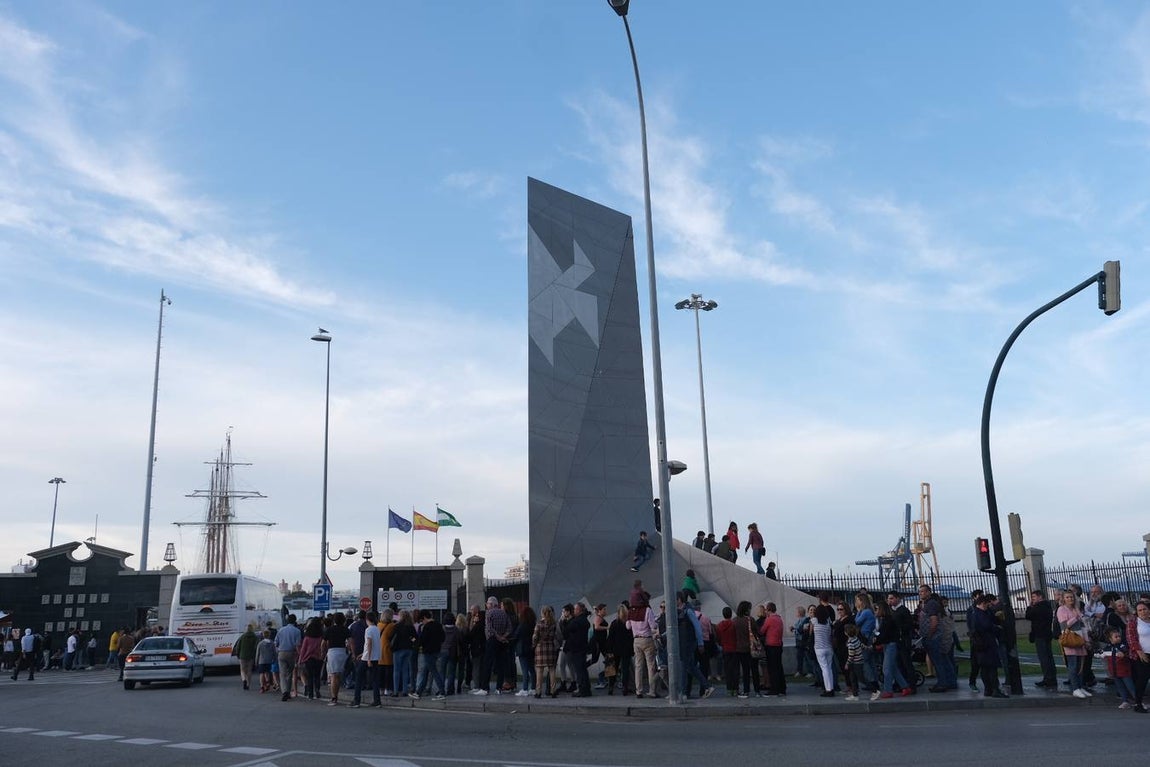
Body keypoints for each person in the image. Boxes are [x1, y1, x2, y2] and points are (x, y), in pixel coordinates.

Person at [674, 591, 714, 701]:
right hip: (683, 643)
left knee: (684, 667)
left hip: (688, 643)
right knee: (690, 667)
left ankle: (682, 692)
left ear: (679, 599)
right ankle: (707, 686)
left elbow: (697, 627)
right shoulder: (679, 612)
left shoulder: (688, 611)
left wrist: (700, 643)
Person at [918, 585, 956, 692]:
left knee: (938, 661)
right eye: (920, 592)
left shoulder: (930, 604)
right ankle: (950, 682)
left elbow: (934, 621)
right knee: (943, 659)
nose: (921, 593)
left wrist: (929, 635)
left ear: (929, 592)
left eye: (923, 591)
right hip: (935, 636)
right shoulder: (930, 604)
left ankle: (942, 683)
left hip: (933, 637)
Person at [968, 594, 1007, 698]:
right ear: (982, 603)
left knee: (985, 668)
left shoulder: (976, 613)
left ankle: (988, 689)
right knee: (991, 668)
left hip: (980, 644)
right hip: (986, 644)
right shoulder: (980, 614)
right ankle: (994, 689)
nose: (988, 606)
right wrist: (997, 628)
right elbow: (987, 625)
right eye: (986, 604)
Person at [472, 597, 512, 695]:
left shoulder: (489, 613)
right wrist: (503, 637)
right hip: (502, 642)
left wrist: (498, 636)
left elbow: (490, 628)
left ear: (492, 604)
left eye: (488, 604)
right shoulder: (503, 613)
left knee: (487, 664)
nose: (486, 605)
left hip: (492, 640)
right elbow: (510, 627)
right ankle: (499, 688)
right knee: (500, 664)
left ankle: (485, 688)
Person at [1056, 590, 1091, 699]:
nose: (1070, 599)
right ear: (1063, 599)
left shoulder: (1076, 609)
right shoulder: (1061, 609)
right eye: (1067, 597)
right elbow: (1064, 626)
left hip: (1080, 638)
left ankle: (1080, 686)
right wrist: (1075, 617)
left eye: (1071, 597)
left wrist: (1086, 639)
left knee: (1081, 665)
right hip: (1071, 638)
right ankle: (1075, 688)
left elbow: (1083, 625)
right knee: (1073, 665)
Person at [628, 594, 660, 698]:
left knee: (638, 666)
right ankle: (652, 690)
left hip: (636, 640)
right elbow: (653, 625)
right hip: (647, 639)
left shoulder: (631, 611)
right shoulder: (647, 610)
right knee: (651, 666)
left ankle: (639, 691)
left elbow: (628, 626)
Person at [1025, 590, 1058, 690]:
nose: (1032, 599)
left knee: (1044, 657)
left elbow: (1028, 616)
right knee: (1049, 657)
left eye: (1034, 597)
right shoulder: (1047, 606)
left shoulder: (1039, 607)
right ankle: (1052, 677)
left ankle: (1048, 678)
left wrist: (1030, 606)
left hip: (1040, 634)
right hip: (1046, 633)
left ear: (1040, 597)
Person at [351, 611, 382, 708]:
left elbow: (369, 643)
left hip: (368, 658)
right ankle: (377, 701)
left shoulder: (368, 630)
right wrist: (362, 654)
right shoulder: (377, 629)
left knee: (359, 678)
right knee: (375, 680)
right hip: (375, 657)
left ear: (367, 619)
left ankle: (357, 700)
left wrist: (367, 658)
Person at [415, 611, 447, 700]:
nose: (422, 622)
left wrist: (415, 641)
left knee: (434, 671)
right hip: (437, 650)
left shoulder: (427, 627)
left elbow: (422, 640)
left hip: (428, 651)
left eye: (422, 620)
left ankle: (442, 691)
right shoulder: (438, 625)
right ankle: (419, 692)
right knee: (425, 671)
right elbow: (443, 637)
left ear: (425, 617)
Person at [322, 611, 351, 706]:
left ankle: (334, 697)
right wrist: (351, 652)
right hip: (342, 651)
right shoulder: (345, 629)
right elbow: (350, 642)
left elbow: (323, 643)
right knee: (339, 675)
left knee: (334, 675)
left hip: (332, 652)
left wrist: (324, 652)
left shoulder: (329, 630)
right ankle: (336, 694)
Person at [1103, 626, 1135, 709]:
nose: (1118, 638)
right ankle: (1125, 701)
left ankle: (1139, 701)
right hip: (1114, 672)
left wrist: (1124, 653)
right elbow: (1101, 655)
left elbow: (1126, 651)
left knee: (1131, 687)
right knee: (1120, 688)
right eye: (1116, 637)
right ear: (1110, 639)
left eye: (1119, 636)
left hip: (1124, 671)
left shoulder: (1122, 646)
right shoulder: (1107, 648)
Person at [1127, 600, 1150, 713]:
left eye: (1144, 609)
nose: (1142, 612)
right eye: (1139, 610)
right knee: (1142, 679)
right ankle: (1138, 703)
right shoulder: (1133, 622)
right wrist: (1140, 652)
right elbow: (1131, 639)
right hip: (1141, 655)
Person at [813, 593, 838, 698]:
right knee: (829, 669)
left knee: (824, 669)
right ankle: (831, 687)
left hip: (819, 648)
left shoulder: (814, 621)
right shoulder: (828, 622)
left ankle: (828, 689)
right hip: (828, 647)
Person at [606, 603, 634, 695]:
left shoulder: (614, 623)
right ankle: (625, 688)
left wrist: (609, 650)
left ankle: (611, 687)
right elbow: (631, 637)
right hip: (626, 649)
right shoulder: (628, 624)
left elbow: (610, 638)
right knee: (625, 669)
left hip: (614, 649)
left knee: (612, 669)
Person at [565, 603, 592, 696]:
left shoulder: (577, 621)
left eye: (576, 609)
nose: (574, 611)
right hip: (582, 647)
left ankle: (582, 689)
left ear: (580, 610)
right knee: (583, 669)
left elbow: (567, 629)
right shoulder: (583, 620)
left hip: (577, 648)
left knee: (579, 670)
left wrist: (567, 620)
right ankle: (586, 688)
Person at [533, 605, 559, 698]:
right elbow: (556, 636)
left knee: (539, 671)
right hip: (551, 648)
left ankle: (538, 692)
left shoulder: (539, 624)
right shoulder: (554, 624)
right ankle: (553, 691)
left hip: (540, 648)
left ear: (542, 613)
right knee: (552, 670)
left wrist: (534, 645)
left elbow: (535, 637)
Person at [760, 602, 786, 697]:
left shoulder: (769, 619)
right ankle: (782, 688)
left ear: (769, 610)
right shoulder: (779, 619)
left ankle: (774, 689)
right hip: (778, 645)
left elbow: (762, 631)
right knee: (779, 667)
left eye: (766, 610)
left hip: (771, 645)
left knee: (772, 668)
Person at [275, 614, 302, 702]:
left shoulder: (281, 630)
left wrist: (278, 650)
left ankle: (284, 692)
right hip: (291, 653)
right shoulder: (297, 631)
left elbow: (276, 642)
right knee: (290, 673)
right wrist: (299, 655)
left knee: (282, 674)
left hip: (281, 653)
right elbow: (298, 645)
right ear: (295, 620)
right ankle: (288, 691)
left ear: (287, 620)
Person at [390, 610, 418, 697]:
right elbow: (415, 638)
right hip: (408, 650)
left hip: (398, 650)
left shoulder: (397, 626)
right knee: (405, 670)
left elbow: (392, 637)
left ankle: (395, 691)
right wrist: (411, 642)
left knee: (397, 671)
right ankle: (405, 691)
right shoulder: (411, 626)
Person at [298, 618, 325, 701]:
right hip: (319, 658)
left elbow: (303, 649)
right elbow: (324, 648)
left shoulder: (307, 638)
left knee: (310, 677)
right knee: (317, 676)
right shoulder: (321, 637)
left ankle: (310, 694)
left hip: (308, 659)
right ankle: (317, 690)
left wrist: (300, 659)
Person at [234, 623, 259, 690]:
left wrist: (237, 654)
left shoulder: (242, 636)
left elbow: (238, 647)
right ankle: (248, 684)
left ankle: (244, 679)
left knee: (242, 670)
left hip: (242, 655)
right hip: (251, 656)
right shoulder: (255, 637)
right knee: (249, 670)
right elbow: (256, 647)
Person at [255, 629, 277, 693]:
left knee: (261, 674)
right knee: (267, 672)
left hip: (261, 661)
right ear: (269, 635)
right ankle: (267, 682)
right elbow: (274, 652)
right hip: (269, 660)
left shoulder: (260, 643)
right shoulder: (272, 643)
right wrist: (274, 659)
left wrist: (256, 661)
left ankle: (262, 687)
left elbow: (257, 653)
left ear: (263, 635)